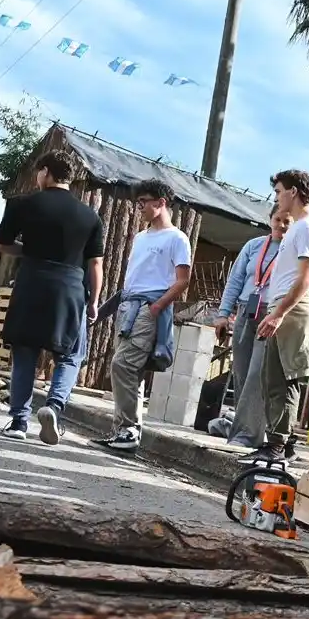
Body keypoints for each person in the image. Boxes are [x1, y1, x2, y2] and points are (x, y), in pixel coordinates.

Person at [0, 149, 105, 444]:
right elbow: (96, 264)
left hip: (32, 281)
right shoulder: (90, 216)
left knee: (25, 351)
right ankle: (54, 406)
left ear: (45, 172)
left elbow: (3, 244)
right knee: (70, 355)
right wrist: (94, 302)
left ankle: (19, 422)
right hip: (70, 288)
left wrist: (29, 251)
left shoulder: (23, 204)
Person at [97, 180, 192, 453]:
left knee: (123, 365)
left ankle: (127, 429)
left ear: (161, 202)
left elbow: (183, 280)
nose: (139, 207)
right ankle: (123, 431)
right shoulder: (140, 237)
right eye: (137, 202)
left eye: (143, 202)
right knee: (131, 372)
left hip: (149, 308)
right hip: (128, 306)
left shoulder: (177, 238)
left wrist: (157, 306)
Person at [240, 170, 309, 465]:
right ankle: (284, 444)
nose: (276, 197)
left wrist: (278, 313)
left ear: (294, 191)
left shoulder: (308, 227)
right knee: (271, 379)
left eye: (279, 191)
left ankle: (276, 446)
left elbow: (306, 279)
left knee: (284, 380)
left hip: (294, 310)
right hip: (283, 307)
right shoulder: (298, 228)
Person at [208, 205, 292, 447]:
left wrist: (280, 313)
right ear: (270, 219)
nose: (281, 226)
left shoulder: (293, 250)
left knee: (257, 375)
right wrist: (223, 314)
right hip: (246, 310)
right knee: (242, 373)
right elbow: (235, 280)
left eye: (287, 222)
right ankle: (244, 427)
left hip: (271, 313)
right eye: (278, 219)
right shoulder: (254, 246)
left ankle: (246, 435)